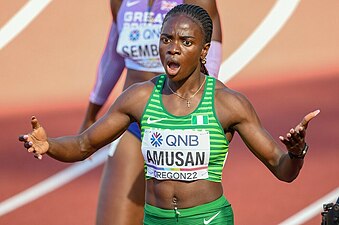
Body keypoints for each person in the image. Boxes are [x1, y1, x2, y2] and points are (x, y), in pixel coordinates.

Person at [19, 4, 320, 224]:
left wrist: (296, 153)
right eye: (166, 40)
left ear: (203, 50)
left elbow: (283, 171)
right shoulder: (138, 98)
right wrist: (50, 145)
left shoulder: (228, 104)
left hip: (207, 219)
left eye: (185, 42)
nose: (173, 50)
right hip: (157, 219)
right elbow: (84, 145)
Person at [79, 0, 222, 224]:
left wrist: (198, 110)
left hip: (181, 122)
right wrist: (91, 113)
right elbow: (112, 57)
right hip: (133, 119)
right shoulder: (120, 2)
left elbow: (210, 54)